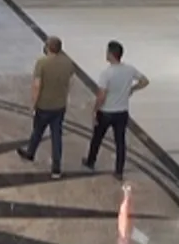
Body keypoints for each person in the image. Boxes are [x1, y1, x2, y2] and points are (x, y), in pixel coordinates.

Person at [84, 40, 149, 180]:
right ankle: (119, 170)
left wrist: (95, 110)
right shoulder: (129, 69)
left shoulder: (106, 73)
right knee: (120, 142)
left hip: (106, 112)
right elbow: (144, 81)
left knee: (97, 138)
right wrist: (132, 89)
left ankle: (91, 161)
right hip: (122, 112)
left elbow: (102, 95)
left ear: (111, 54)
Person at [16, 36, 74, 179]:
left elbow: (37, 85)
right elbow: (70, 82)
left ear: (48, 47)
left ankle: (30, 153)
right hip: (59, 106)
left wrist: (33, 104)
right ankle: (56, 168)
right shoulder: (68, 62)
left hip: (44, 105)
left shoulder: (42, 63)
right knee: (56, 136)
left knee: (37, 130)